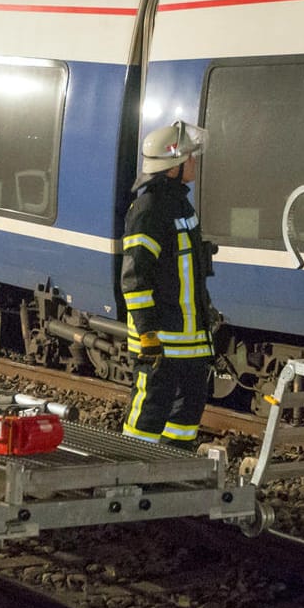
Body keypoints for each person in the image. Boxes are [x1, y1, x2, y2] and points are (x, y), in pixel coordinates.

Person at [120, 121, 215, 448]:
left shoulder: (179, 205)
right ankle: (130, 474)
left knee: (187, 413)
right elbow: (135, 278)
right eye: (189, 157)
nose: (194, 162)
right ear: (172, 166)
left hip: (190, 340)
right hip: (161, 339)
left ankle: (173, 471)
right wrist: (147, 333)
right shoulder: (148, 210)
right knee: (149, 411)